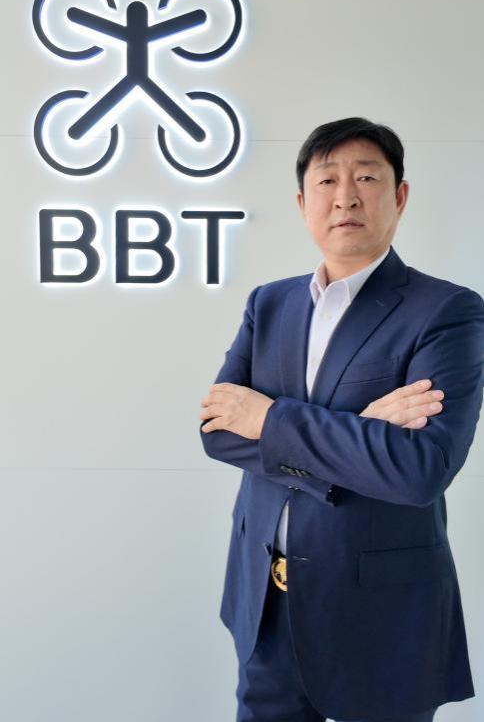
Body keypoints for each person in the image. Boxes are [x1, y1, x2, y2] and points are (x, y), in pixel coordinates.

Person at [199, 117, 484, 722]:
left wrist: (269, 418)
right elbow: (219, 431)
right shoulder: (268, 304)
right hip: (266, 604)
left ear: (399, 195)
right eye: (327, 180)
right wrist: (362, 427)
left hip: (381, 615)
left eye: (366, 178)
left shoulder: (447, 311)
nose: (345, 196)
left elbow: (419, 469)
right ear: (303, 202)